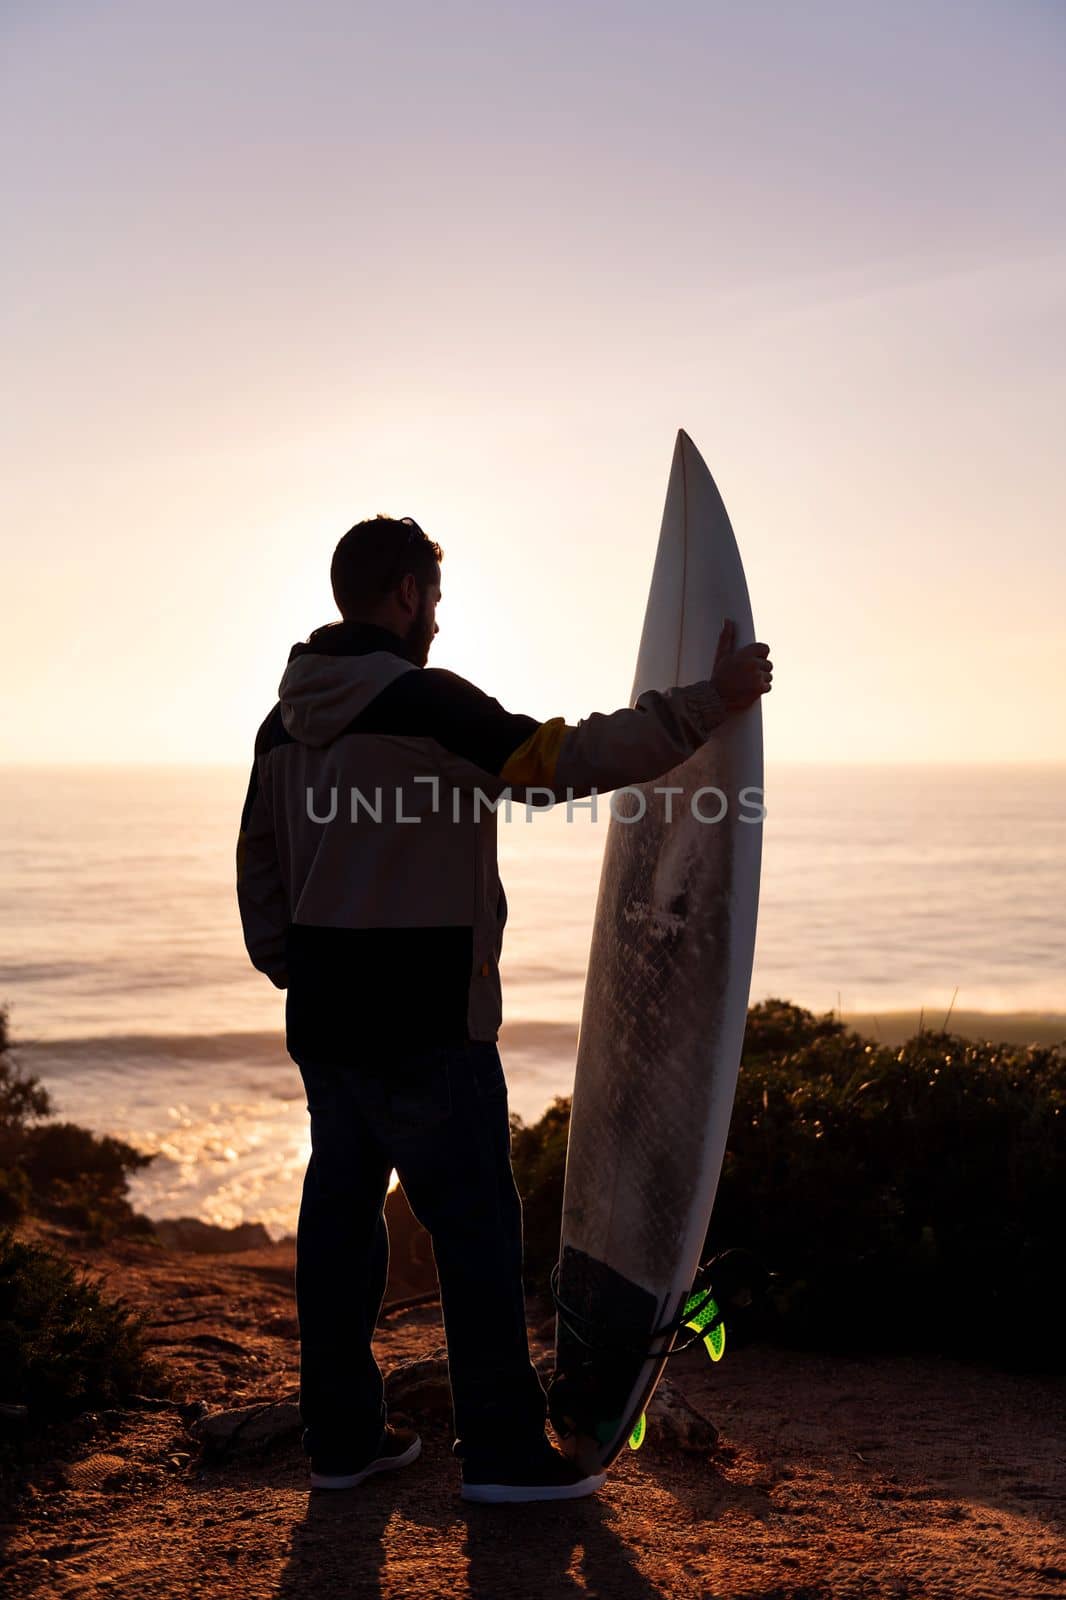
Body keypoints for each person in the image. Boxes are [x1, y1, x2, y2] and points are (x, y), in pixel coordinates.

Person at [236, 514, 772, 1503]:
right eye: (430, 598)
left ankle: (343, 1440)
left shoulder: (283, 725)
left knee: (342, 1229)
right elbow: (558, 760)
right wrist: (709, 703)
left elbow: (258, 873)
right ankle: (501, 1455)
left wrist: (300, 970)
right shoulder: (424, 704)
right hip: (428, 1024)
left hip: (327, 1022)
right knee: (476, 1235)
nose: (434, 617)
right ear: (404, 594)